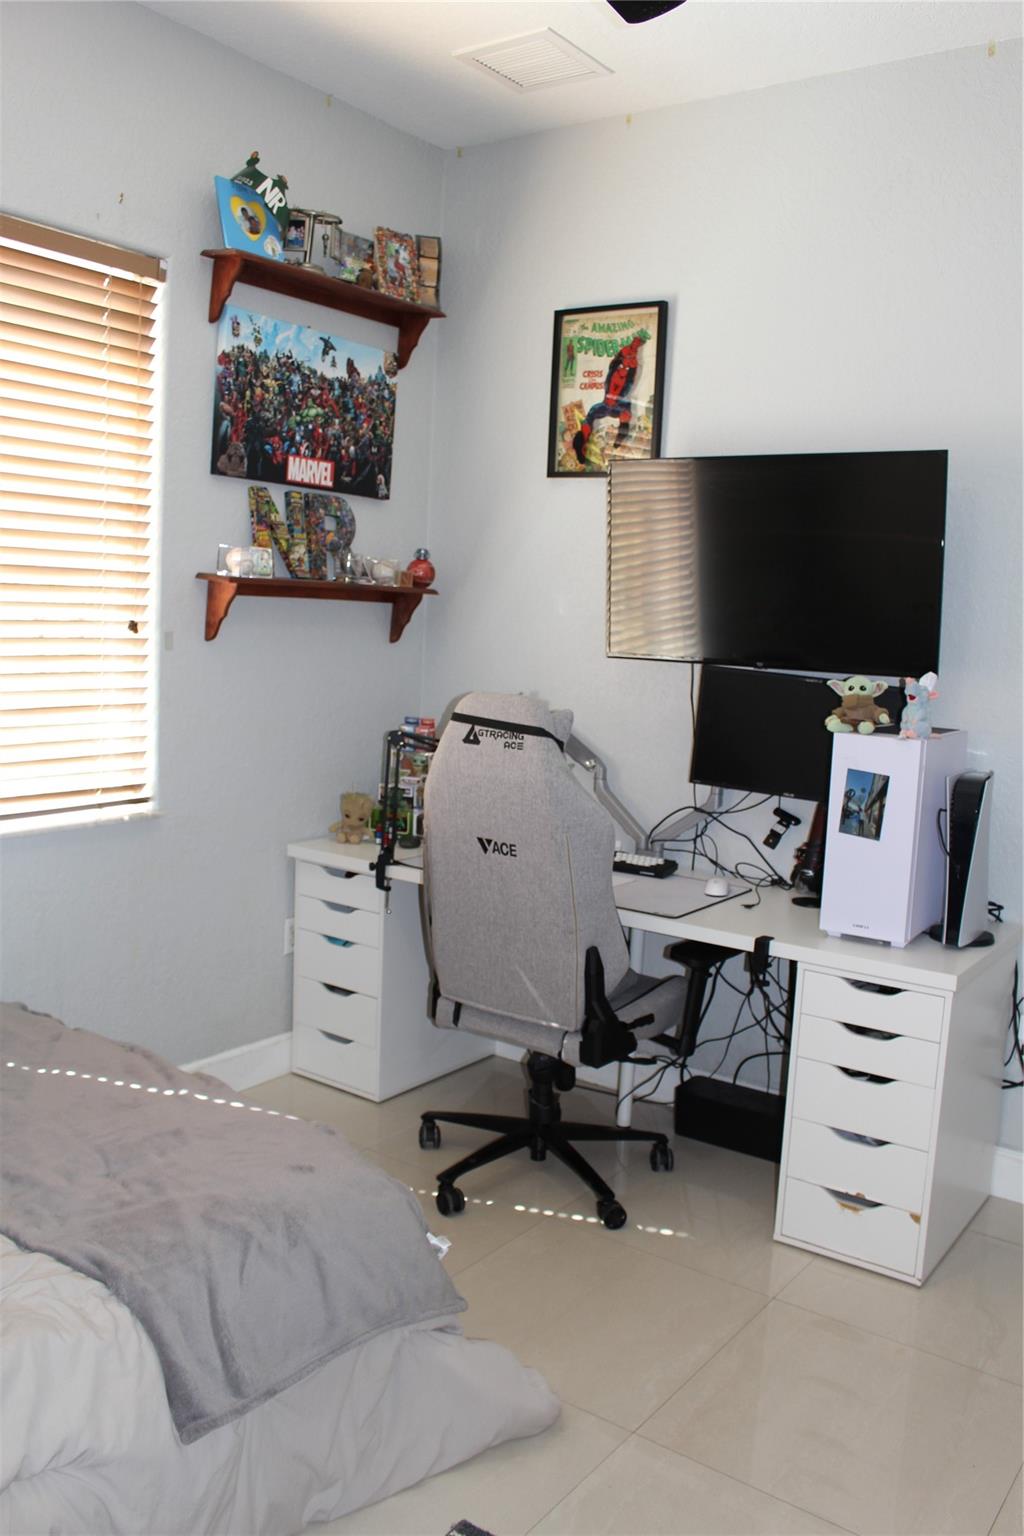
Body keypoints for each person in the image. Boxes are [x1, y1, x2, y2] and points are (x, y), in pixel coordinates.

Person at [573, 329, 649, 466]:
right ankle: (583, 442)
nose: (624, 366)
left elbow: (628, 374)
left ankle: (617, 439)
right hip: (610, 404)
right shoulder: (619, 366)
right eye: (623, 364)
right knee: (596, 414)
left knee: (622, 413)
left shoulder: (627, 368)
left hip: (614, 405)